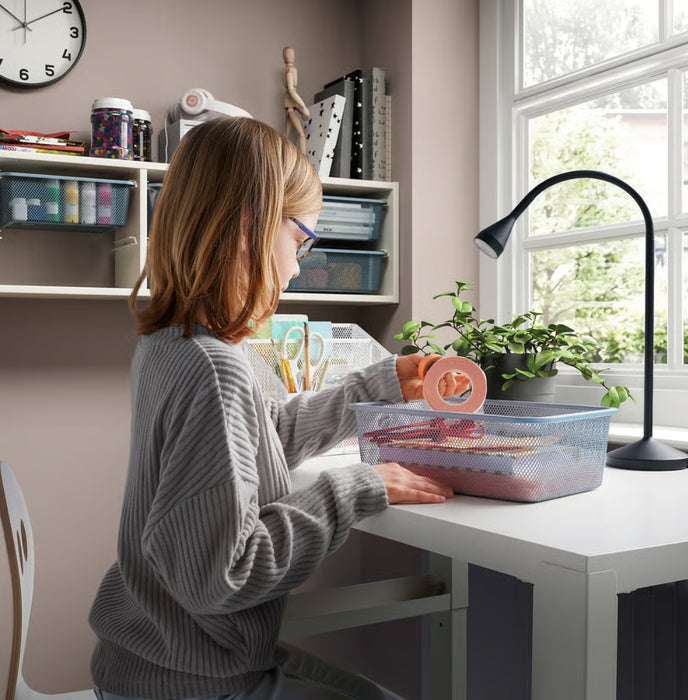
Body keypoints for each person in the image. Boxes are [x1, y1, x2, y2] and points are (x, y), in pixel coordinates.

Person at [88, 116, 467, 700]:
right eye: (299, 241)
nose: (297, 267)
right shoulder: (212, 368)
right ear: (249, 224)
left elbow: (256, 441)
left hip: (156, 663)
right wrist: (356, 486)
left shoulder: (171, 345)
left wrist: (381, 382)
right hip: (194, 683)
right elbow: (229, 574)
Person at [283, 46, 310, 153]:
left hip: (291, 104)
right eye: (289, 54)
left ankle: (279, 155)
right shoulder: (290, 70)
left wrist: (301, 108)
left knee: (285, 134)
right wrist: (303, 106)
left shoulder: (286, 70)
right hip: (291, 103)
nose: (291, 56)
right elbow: (291, 90)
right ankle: (304, 160)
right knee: (301, 134)